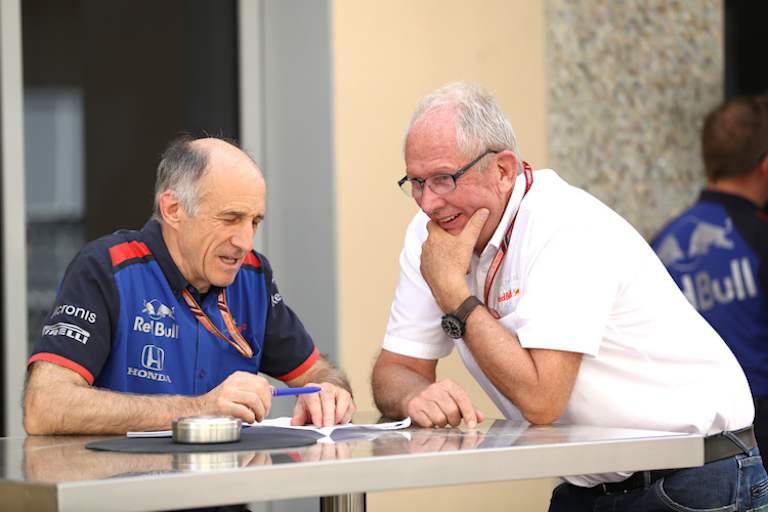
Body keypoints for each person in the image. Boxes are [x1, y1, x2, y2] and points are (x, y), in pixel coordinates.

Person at [371, 83, 768, 511]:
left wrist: (453, 293)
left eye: (444, 179)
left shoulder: (564, 224)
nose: (429, 202)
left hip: (693, 474)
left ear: (503, 170)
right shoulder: (431, 235)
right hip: (590, 482)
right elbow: (395, 369)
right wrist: (413, 396)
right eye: (416, 182)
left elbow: (542, 400)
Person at [24, 135, 355, 435]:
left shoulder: (253, 276)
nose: (245, 241)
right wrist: (199, 409)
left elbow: (319, 372)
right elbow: (46, 406)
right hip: (129, 494)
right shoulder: (106, 268)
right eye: (230, 218)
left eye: (254, 221)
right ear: (173, 209)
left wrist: (329, 392)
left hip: (223, 495)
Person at [652, 95, 768, 466]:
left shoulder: (661, 242)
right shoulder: (758, 238)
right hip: (755, 438)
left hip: (681, 447)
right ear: (764, 167)